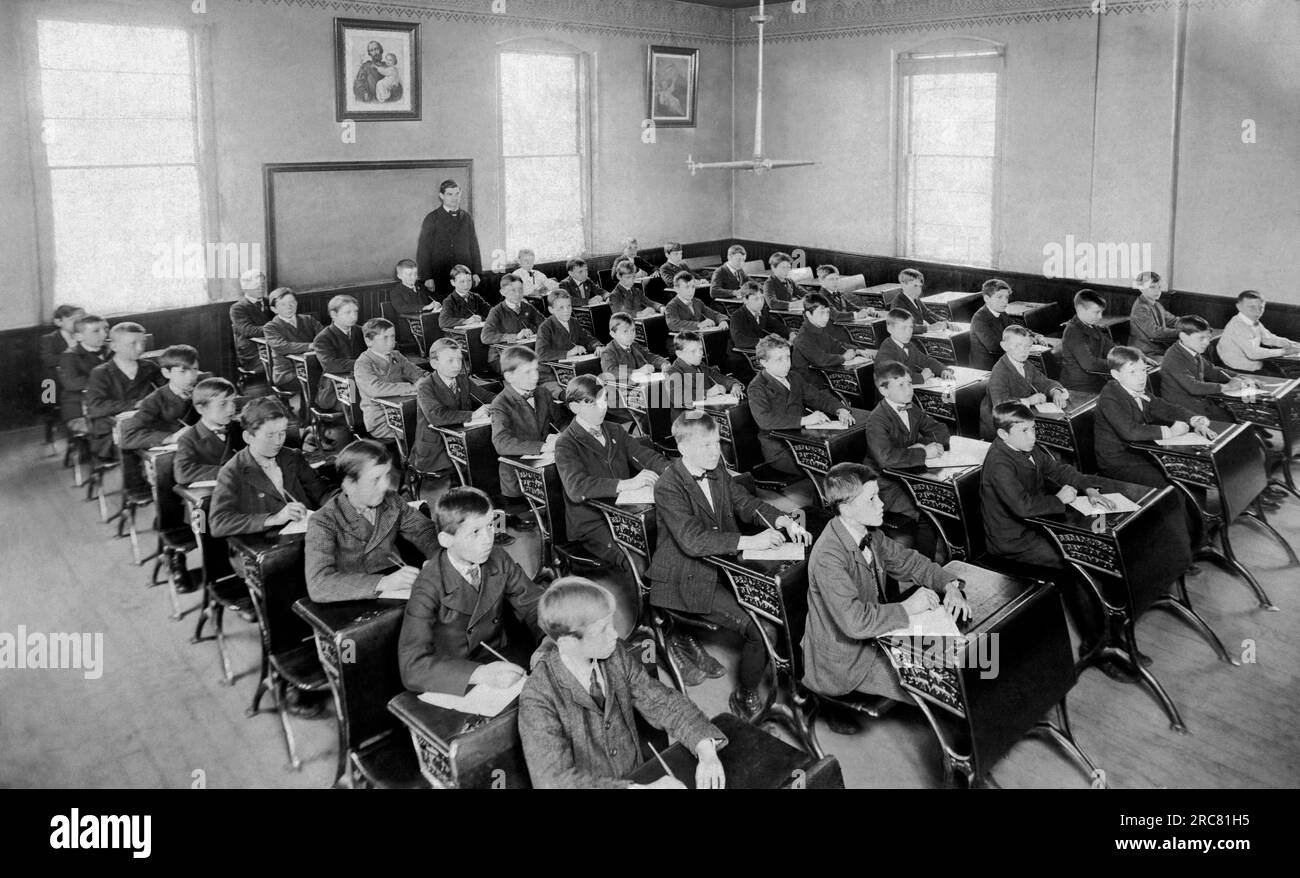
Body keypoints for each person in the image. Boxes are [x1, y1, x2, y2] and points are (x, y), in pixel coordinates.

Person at [647, 413, 810, 718]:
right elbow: (692, 541)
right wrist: (750, 542)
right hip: (685, 575)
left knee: (786, 598)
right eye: (706, 445)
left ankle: (797, 677)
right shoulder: (668, 485)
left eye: (717, 443)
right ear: (683, 449)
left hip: (720, 563)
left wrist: (784, 521)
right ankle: (745, 695)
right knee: (762, 629)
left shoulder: (716, 468)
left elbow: (747, 504)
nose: (716, 451)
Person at [518, 578, 727, 789]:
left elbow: (661, 701)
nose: (615, 635)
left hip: (636, 774)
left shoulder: (614, 654)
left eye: (612, 624)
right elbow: (553, 782)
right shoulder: (538, 697)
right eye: (602, 629)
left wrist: (705, 747)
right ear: (568, 642)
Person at [802, 463, 968, 724]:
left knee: (979, 657)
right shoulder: (828, 556)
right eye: (871, 498)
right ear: (845, 508)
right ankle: (964, 759)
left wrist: (949, 585)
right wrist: (909, 607)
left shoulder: (869, 533)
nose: (881, 504)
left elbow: (910, 562)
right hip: (848, 660)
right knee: (949, 685)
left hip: (879, 636)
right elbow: (855, 622)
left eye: (878, 495)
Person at [979, 403, 1129, 676]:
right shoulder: (999, 462)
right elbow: (1022, 506)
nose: (1032, 436)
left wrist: (1088, 487)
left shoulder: (1026, 447)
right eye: (1024, 431)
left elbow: (1058, 470)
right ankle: (1095, 646)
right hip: (1013, 541)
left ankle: (1113, 630)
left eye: (1033, 428)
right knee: (1080, 565)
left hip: (1038, 527)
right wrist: (1058, 499)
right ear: (1003, 435)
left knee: (1099, 551)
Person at [398, 486, 544, 695]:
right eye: (475, 532)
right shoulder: (427, 585)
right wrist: (481, 674)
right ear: (446, 540)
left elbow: (533, 603)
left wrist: (548, 639)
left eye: (490, 526)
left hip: (501, 656)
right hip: (455, 676)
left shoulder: (499, 558)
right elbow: (411, 668)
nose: (488, 538)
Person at [554, 375, 669, 573]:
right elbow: (576, 488)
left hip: (627, 512)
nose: (602, 408)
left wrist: (670, 471)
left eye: (604, 399)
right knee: (641, 560)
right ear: (574, 408)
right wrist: (625, 484)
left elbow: (646, 456)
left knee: (672, 543)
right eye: (592, 403)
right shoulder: (566, 442)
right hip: (593, 521)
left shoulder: (615, 429)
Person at [305, 440, 440, 603]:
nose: (385, 486)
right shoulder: (323, 521)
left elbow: (424, 530)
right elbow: (319, 585)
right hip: (351, 599)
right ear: (349, 485)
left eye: (387, 475)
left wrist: (436, 560)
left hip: (396, 587)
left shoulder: (392, 501)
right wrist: (383, 582)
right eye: (375, 479)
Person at [208, 397, 330, 537]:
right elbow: (218, 523)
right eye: (270, 435)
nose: (278, 441)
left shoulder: (292, 456)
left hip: (305, 537)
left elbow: (321, 492)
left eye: (282, 432)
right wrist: (274, 518)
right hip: (265, 545)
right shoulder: (232, 471)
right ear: (248, 437)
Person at [1094, 345, 1214, 488]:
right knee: (1171, 485)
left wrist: (1194, 419)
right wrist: (1171, 432)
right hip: (1118, 461)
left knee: (1193, 473)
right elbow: (1130, 431)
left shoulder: (1135, 387)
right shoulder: (1110, 396)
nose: (1141, 377)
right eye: (1132, 372)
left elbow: (1163, 407)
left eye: (1143, 370)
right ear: (1116, 374)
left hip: (1141, 451)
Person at [863, 361, 950, 532]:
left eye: (910, 383)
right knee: (928, 510)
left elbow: (941, 430)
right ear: (884, 390)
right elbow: (886, 459)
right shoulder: (877, 420)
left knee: (943, 500)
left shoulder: (911, 407)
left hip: (909, 473)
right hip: (885, 485)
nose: (909, 389)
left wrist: (921, 446)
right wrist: (923, 453)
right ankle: (922, 557)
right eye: (901, 385)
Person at [747, 335, 853, 475]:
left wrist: (840, 409)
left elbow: (818, 397)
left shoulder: (794, 377)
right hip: (780, 448)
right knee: (826, 469)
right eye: (779, 359)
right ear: (763, 362)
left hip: (803, 438)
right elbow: (765, 420)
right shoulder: (757, 387)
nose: (786, 363)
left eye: (787, 357)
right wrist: (805, 420)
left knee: (844, 454)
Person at [489, 345, 570, 523]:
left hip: (546, 464)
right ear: (509, 377)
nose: (535, 376)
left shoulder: (542, 393)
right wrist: (543, 446)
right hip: (518, 476)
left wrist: (566, 438)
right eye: (528, 372)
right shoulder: (500, 404)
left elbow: (562, 421)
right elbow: (501, 443)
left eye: (536, 370)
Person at [411, 338, 496, 473]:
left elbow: (485, 396)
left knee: (490, 454)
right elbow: (437, 416)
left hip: (460, 439)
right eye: (450, 360)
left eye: (459, 359)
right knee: (482, 459)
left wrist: (509, 401)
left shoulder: (462, 379)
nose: (457, 365)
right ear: (434, 363)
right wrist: (473, 415)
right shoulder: (425, 386)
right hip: (436, 449)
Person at [84, 322, 164, 459]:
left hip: (148, 424)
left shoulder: (150, 367)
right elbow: (95, 407)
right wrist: (135, 404)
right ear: (114, 346)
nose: (140, 348)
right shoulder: (100, 373)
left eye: (143, 343)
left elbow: (164, 393)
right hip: (112, 432)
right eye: (133, 344)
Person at [979, 324, 1070, 440]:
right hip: (1000, 427)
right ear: (1004, 346)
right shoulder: (999, 370)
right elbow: (1000, 404)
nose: (1023, 351)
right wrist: (1028, 400)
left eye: (1027, 346)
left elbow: (1043, 382)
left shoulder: (1026, 364)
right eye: (1017, 346)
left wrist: (1055, 391)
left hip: (1019, 418)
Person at [1159, 315, 1255, 421]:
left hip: (1199, 403)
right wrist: (1228, 386)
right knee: (1236, 419)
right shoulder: (1173, 358)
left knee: (1240, 416)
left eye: (1208, 338)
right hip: (1184, 411)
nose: (1207, 342)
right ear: (1183, 336)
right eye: (1201, 338)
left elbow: (1213, 371)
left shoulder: (1192, 351)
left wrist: (1240, 377)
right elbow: (1193, 387)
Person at [353, 318, 424, 441]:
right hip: (381, 420)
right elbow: (374, 389)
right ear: (369, 341)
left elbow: (416, 372)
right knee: (424, 432)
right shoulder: (363, 363)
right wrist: (411, 387)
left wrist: (427, 380)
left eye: (393, 336)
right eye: (385, 338)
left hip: (405, 411)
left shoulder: (396, 355)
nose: (391, 342)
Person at [120, 345, 201, 450]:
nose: (191, 377)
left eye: (195, 369)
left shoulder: (203, 389)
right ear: (166, 373)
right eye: (182, 371)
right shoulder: (154, 401)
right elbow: (128, 438)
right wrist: (170, 438)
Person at [791, 292, 873, 390]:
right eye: (821, 312)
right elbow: (820, 359)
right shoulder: (803, 337)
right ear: (809, 314)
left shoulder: (818, 328)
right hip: (810, 384)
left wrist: (858, 350)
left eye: (827, 312)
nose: (826, 317)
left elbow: (836, 345)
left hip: (823, 375)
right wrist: (843, 357)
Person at [416, 180, 481, 297]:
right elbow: (423, 249)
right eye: (449, 194)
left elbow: (474, 246)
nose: (454, 198)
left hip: (464, 276)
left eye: (457, 194)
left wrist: (476, 272)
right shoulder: (432, 218)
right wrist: (427, 277)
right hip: (440, 276)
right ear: (441, 196)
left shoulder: (466, 218)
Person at [174, 377, 240, 486]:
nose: (231, 409)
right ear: (201, 409)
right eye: (223, 404)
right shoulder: (189, 439)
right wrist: (230, 471)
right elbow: (183, 472)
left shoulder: (240, 427)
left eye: (233, 401)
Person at [664, 331, 743, 422]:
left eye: (700, 349)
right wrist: (707, 393)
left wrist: (734, 385)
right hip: (686, 421)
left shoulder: (701, 366)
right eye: (693, 351)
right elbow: (677, 396)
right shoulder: (672, 372)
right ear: (679, 353)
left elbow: (719, 377)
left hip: (706, 414)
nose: (699, 354)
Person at [1217, 289, 1300, 373]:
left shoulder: (1252, 320)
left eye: (1261, 307)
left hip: (1256, 363)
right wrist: (1285, 351)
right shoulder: (1237, 325)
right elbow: (1253, 353)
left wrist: (1292, 344)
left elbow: (1268, 338)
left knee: (1282, 371)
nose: (1257, 311)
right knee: (1285, 375)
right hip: (1239, 369)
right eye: (1251, 307)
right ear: (1239, 307)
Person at [970, 278, 1044, 370]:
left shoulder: (1002, 313)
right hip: (987, 368)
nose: (1005, 301)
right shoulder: (979, 318)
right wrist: (1025, 342)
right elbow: (994, 347)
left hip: (1003, 361)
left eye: (1006, 297)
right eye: (1000, 297)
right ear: (987, 298)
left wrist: (1035, 335)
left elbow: (1017, 329)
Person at [261, 287, 323, 392]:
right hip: (288, 374)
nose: (289, 307)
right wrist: (310, 346)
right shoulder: (271, 327)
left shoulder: (308, 319)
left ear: (297, 303)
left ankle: (347, 406)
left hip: (314, 367)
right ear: (274, 309)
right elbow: (283, 347)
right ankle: (313, 407)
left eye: (292, 302)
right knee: (326, 382)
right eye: (283, 304)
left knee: (345, 379)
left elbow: (324, 338)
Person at [311, 294, 366, 410]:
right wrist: (364, 363)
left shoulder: (361, 331)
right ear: (333, 315)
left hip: (361, 379)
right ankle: (357, 426)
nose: (353, 316)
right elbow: (331, 365)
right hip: (335, 386)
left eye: (355, 312)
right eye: (348, 312)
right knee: (362, 400)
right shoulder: (323, 338)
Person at [482, 274, 544, 372]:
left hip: (526, 353)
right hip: (502, 358)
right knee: (534, 370)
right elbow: (485, 337)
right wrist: (515, 336)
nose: (518, 294)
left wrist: (532, 330)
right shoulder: (496, 311)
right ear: (502, 292)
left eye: (520, 289)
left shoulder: (528, 307)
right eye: (513, 290)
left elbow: (545, 326)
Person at [874, 308, 952, 385]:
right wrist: (921, 377)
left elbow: (926, 360)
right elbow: (896, 377)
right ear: (890, 329)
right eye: (903, 328)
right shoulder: (886, 350)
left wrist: (943, 370)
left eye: (911, 327)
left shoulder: (909, 345)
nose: (908, 332)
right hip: (891, 395)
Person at [57, 313, 109, 426]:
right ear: (78, 337)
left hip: (109, 401)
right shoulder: (69, 356)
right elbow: (72, 383)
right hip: (80, 406)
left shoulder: (112, 348)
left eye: (106, 329)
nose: (104, 334)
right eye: (96, 331)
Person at [1060, 289, 1114, 392]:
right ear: (1080, 309)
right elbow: (1089, 363)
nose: (1100, 316)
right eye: (1096, 312)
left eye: (1101, 312)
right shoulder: (1073, 331)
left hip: (1095, 380)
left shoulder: (1092, 326)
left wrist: (1136, 357)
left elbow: (1110, 348)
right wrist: (1120, 363)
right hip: (1079, 387)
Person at [536, 290, 601, 367]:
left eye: (569, 306)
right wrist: (568, 353)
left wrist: (597, 346)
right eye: (561, 307)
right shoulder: (545, 327)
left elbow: (586, 338)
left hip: (573, 365)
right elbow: (541, 354)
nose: (566, 311)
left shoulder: (574, 322)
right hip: (552, 370)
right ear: (551, 310)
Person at [601, 311, 668, 381]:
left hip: (642, 384)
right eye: (625, 331)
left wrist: (663, 364)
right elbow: (610, 372)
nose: (631, 335)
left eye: (633, 330)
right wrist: (638, 371)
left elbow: (649, 356)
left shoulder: (634, 345)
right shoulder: (608, 352)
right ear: (613, 334)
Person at [1129, 271, 1180, 358]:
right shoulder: (1140, 308)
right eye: (1152, 287)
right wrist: (1182, 332)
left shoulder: (1156, 304)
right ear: (1141, 288)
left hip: (1159, 348)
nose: (1157, 291)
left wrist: (1192, 324)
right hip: (1146, 352)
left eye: (1159, 287)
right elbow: (1155, 333)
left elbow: (1172, 320)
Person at [230, 269, 269, 374]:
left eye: (263, 284)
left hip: (273, 346)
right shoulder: (238, 308)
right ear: (245, 287)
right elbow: (248, 330)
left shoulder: (270, 302)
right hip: (253, 352)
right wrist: (276, 328)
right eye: (256, 285)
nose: (261, 288)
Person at [730, 281, 789, 351]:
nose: (760, 302)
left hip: (762, 351)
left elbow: (777, 326)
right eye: (756, 299)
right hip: (745, 355)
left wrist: (790, 333)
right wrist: (764, 342)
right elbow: (739, 340)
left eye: (762, 298)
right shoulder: (737, 316)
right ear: (745, 300)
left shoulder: (763, 312)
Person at [888, 268, 947, 333]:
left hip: (918, 336)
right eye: (915, 286)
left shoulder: (915, 299)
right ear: (904, 285)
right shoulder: (898, 303)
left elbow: (927, 314)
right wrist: (929, 328)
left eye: (920, 286)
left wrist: (945, 322)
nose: (919, 290)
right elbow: (904, 327)